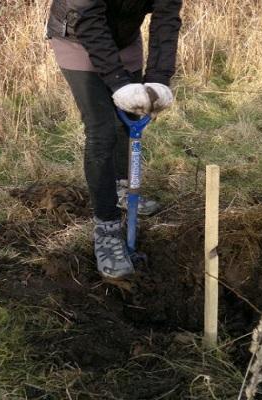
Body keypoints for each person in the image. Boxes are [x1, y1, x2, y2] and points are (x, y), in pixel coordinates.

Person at [46, 0, 183, 279]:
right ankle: (106, 228)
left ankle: (122, 188)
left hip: (124, 40)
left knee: (128, 121)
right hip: (78, 36)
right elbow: (88, 18)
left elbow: (166, 19)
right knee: (102, 130)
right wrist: (119, 82)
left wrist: (158, 79)